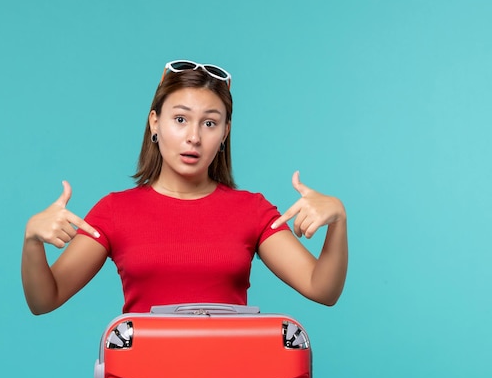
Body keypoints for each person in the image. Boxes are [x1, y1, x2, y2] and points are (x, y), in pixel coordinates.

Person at [21, 60, 348, 315]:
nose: (194, 136)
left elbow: (322, 289)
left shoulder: (252, 211)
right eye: (180, 119)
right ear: (155, 122)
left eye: (209, 123)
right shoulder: (114, 211)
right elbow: (45, 299)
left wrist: (338, 221)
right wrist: (32, 240)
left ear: (224, 133)